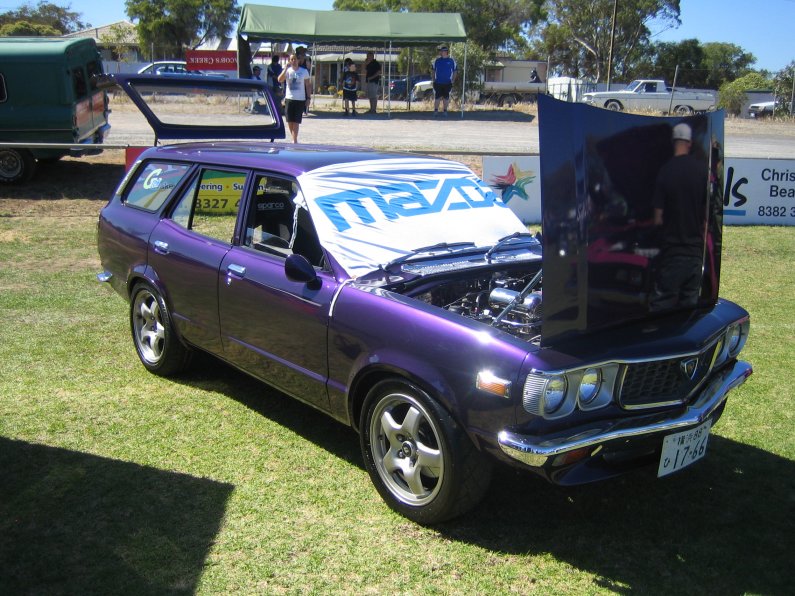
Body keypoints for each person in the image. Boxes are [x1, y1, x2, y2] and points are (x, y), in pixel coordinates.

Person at [650, 122, 708, 311]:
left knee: (661, 307)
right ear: (689, 143)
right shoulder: (701, 171)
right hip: (695, 254)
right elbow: (706, 215)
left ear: (673, 142)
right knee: (688, 312)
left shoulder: (665, 171)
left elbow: (658, 218)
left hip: (673, 253)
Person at [277, 54, 311, 143]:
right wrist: (285, 69)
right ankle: (293, 137)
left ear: (298, 60)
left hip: (300, 99)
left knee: (296, 120)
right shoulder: (288, 71)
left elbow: (307, 85)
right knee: (289, 120)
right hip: (289, 98)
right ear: (289, 60)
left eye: (295, 59)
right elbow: (280, 79)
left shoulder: (304, 71)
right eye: (291, 59)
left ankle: (294, 139)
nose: (293, 61)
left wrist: (308, 98)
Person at [432, 45, 457, 116]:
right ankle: (436, 111)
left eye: (443, 51)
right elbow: (433, 70)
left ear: (446, 52)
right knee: (437, 97)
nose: (441, 52)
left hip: (448, 83)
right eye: (441, 51)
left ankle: (445, 111)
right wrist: (433, 79)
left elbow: (455, 71)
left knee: (446, 97)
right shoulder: (437, 61)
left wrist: (453, 80)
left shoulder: (451, 61)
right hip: (438, 82)